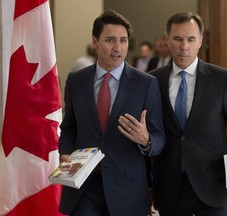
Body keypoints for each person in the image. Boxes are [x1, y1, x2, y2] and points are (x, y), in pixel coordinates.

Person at [149, 12, 227, 216]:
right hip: (170, 189)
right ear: (167, 40)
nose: (184, 46)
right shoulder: (151, 81)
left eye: (191, 39)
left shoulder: (221, 79)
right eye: (177, 39)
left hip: (213, 187)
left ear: (200, 40)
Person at [58, 9, 166, 216]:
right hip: (84, 187)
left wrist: (146, 141)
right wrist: (65, 151)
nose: (118, 48)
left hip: (127, 190)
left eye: (123, 41)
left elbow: (159, 137)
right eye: (110, 40)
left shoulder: (146, 84)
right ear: (95, 41)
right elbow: (69, 127)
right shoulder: (76, 81)